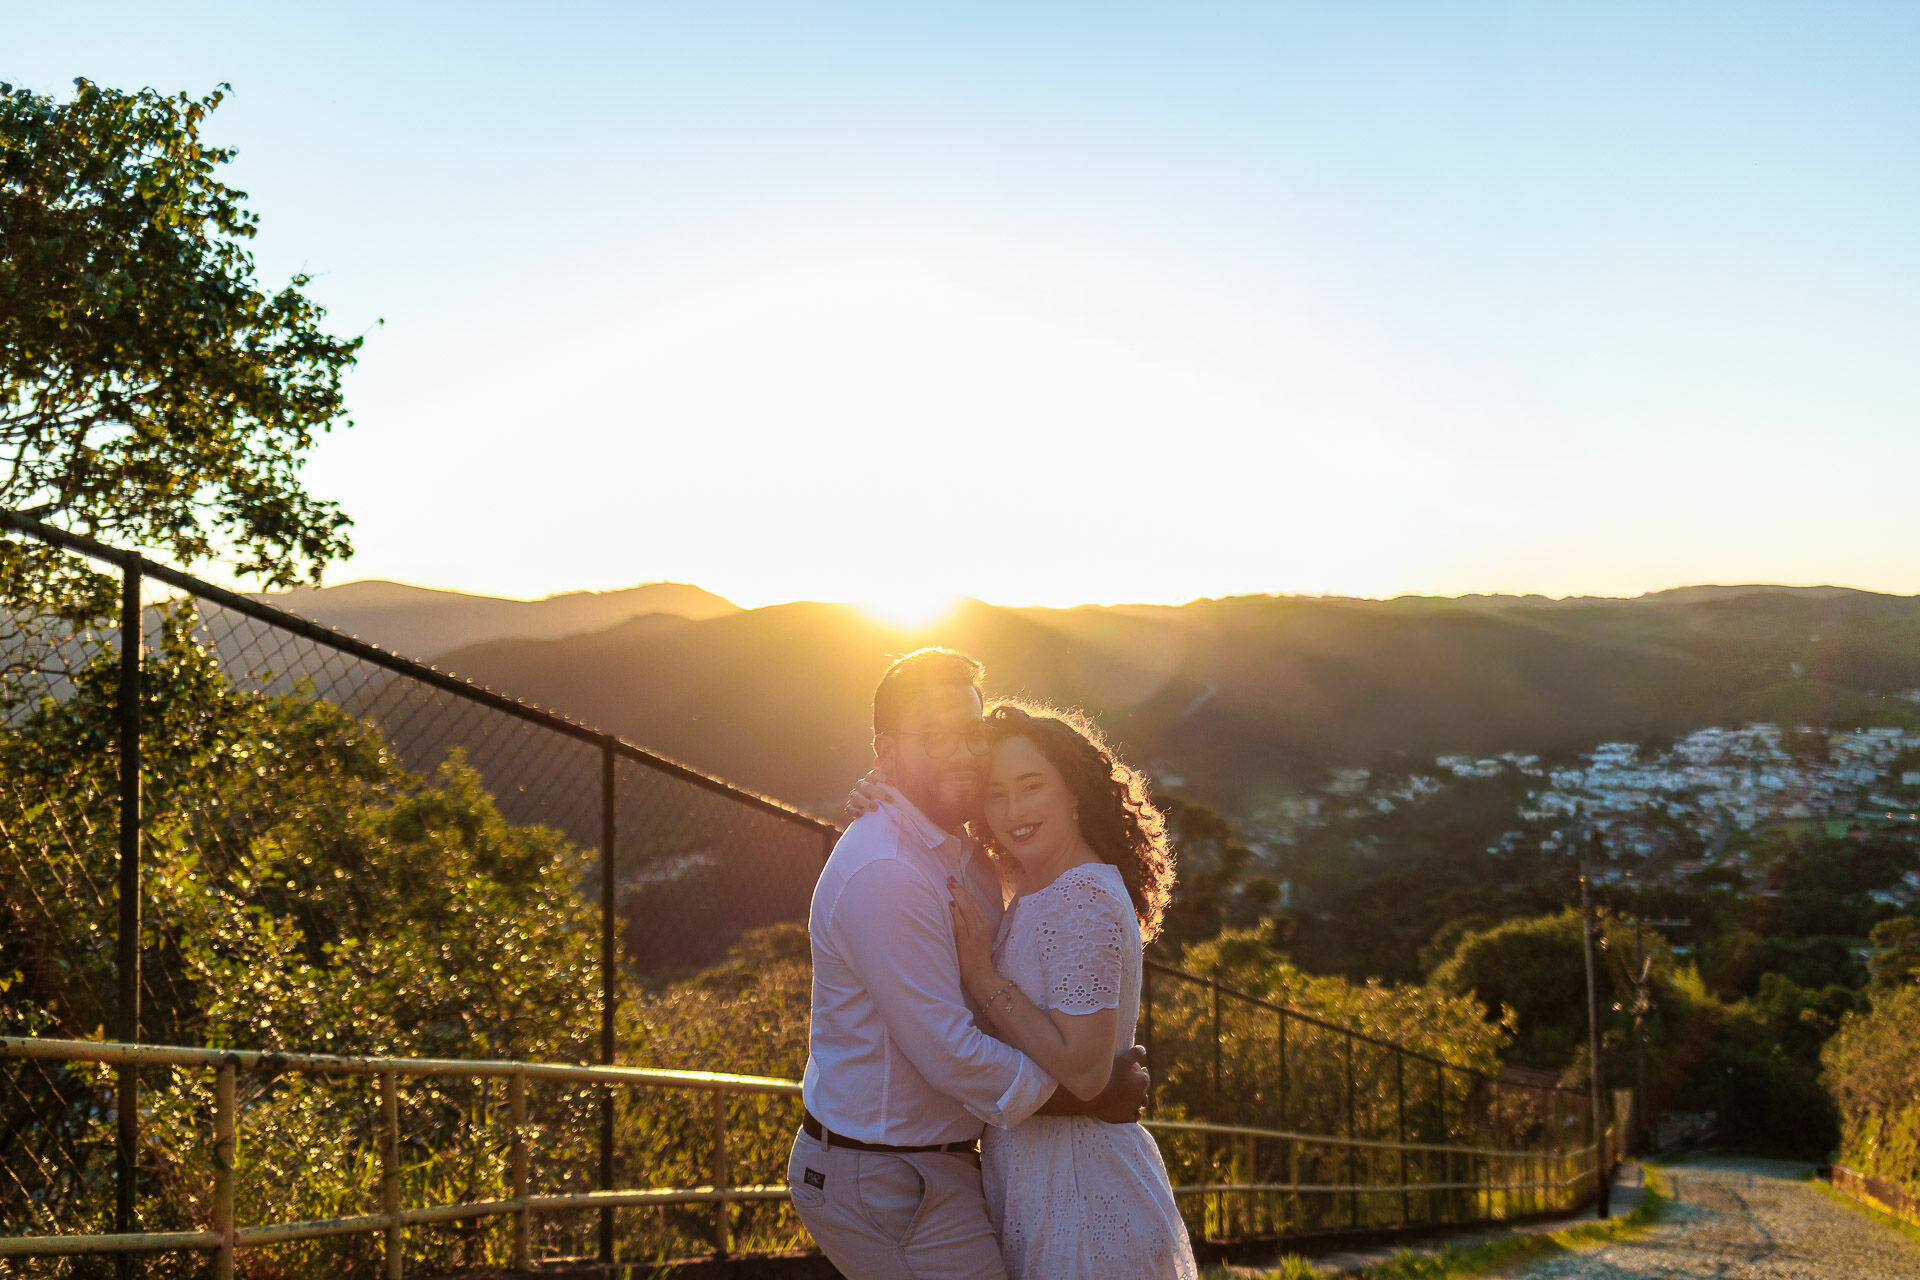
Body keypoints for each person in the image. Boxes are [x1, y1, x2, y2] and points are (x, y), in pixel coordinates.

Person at [788, 648, 1150, 1280]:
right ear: (885, 750)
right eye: (934, 738)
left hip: (951, 1162)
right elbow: (951, 1049)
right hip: (887, 1175)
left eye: (969, 735)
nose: (959, 753)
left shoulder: (969, 853)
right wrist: (1080, 1094)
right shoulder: (889, 870)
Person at [849, 697, 1198, 1279]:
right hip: (1043, 1183)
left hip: (1086, 1198)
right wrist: (881, 793)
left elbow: (1086, 1073)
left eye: (1032, 786)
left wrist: (982, 976)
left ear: (1074, 791)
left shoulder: (1080, 897)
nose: (1014, 810)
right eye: (996, 793)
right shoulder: (1036, 881)